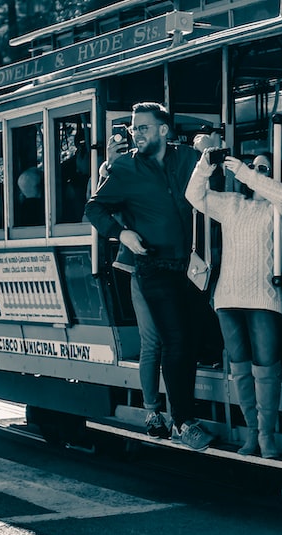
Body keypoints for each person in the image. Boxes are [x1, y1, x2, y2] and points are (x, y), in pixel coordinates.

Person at [84, 101, 213, 451]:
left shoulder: (186, 158)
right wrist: (121, 233)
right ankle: (183, 422)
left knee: (195, 340)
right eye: (133, 128)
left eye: (142, 127)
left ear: (163, 130)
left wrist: (206, 145)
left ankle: (182, 415)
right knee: (174, 340)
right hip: (152, 268)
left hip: (192, 267)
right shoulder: (124, 167)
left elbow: (212, 157)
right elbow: (93, 207)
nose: (135, 133)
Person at [186, 149, 282, 457]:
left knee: (266, 367)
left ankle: (267, 436)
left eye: (265, 168)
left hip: (263, 297)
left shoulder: (281, 205)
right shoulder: (233, 204)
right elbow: (194, 195)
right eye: (254, 167)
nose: (256, 172)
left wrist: (243, 170)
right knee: (240, 368)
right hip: (229, 297)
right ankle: (251, 434)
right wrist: (205, 165)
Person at [98, 128, 167, 438]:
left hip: (179, 264)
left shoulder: (166, 168)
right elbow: (102, 207)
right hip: (143, 265)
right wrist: (108, 168)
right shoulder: (121, 174)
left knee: (176, 340)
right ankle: (152, 411)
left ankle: (179, 413)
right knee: (152, 340)